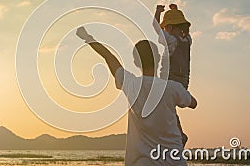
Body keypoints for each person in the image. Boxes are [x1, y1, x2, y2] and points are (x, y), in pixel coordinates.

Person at [76, 27, 197, 166]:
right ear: (158, 59)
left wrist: (88, 37)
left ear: (135, 62)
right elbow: (193, 103)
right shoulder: (172, 88)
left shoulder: (131, 84)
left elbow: (108, 56)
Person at [153, 4, 192, 147]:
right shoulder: (188, 40)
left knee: (162, 106)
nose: (164, 30)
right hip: (184, 82)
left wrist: (157, 12)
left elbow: (155, 26)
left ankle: (178, 135)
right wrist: (175, 11)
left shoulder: (170, 40)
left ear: (169, 27)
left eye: (166, 27)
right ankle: (178, 135)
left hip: (168, 79)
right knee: (169, 108)